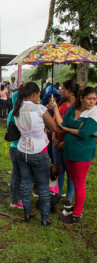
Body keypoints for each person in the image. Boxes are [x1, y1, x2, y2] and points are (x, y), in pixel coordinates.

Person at [13, 82, 57, 226]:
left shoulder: (17, 109)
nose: (39, 97)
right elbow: (54, 127)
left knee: (25, 183)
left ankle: (28, 212)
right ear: (33, 94)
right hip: (39, 151)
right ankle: (45, 218)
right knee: (43, 186)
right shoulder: (39, 108)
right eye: (38, 94)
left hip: (22, 150)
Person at [54, 87, 97, 223]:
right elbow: (63, 123)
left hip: (83, 153)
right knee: (72, 177)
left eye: (94, 99)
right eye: (89, 99)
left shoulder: (94, 113)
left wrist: (66, 129)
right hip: (69, 150)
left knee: (79, 183)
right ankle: (75, 207)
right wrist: (55, 110)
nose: (92, 102)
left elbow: (84, 133)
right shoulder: (73, 109)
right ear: (81, 98)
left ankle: (76, 214)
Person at [52, 80, 79, 209]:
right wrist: (54, 138)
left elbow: (73, 128)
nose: (60, 91)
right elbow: (55, 123)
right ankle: (58, 193)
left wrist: (65, 142)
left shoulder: (77, 108)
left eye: (63, 89)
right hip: (57, 142)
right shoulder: (61, 103)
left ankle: (69, 197)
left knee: (70, 171)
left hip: (68, 143)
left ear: (70, 91)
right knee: (59, 170)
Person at [7, 91, 23, 209]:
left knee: (19, 174)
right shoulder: (18, 113)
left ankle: (18, 197)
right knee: (17, 175)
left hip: (14, 147)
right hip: (18, 147)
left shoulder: (12, 112)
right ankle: (15, 200)